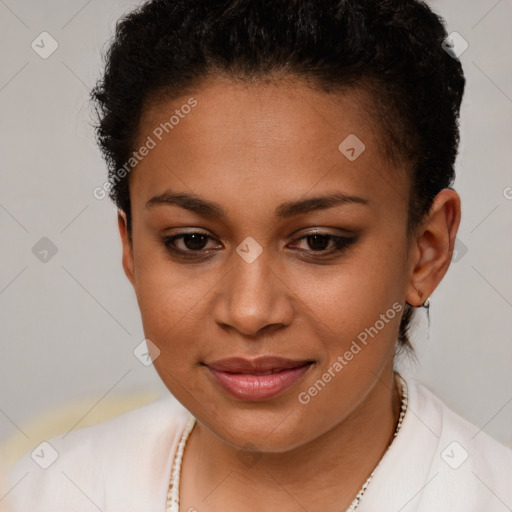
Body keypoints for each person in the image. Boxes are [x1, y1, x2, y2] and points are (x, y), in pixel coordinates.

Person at [3, 0, 512, 511]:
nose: (249, 312)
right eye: (193, 241)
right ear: (131, 250)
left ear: (426, 253)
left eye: (318, 241)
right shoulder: (45, 493)